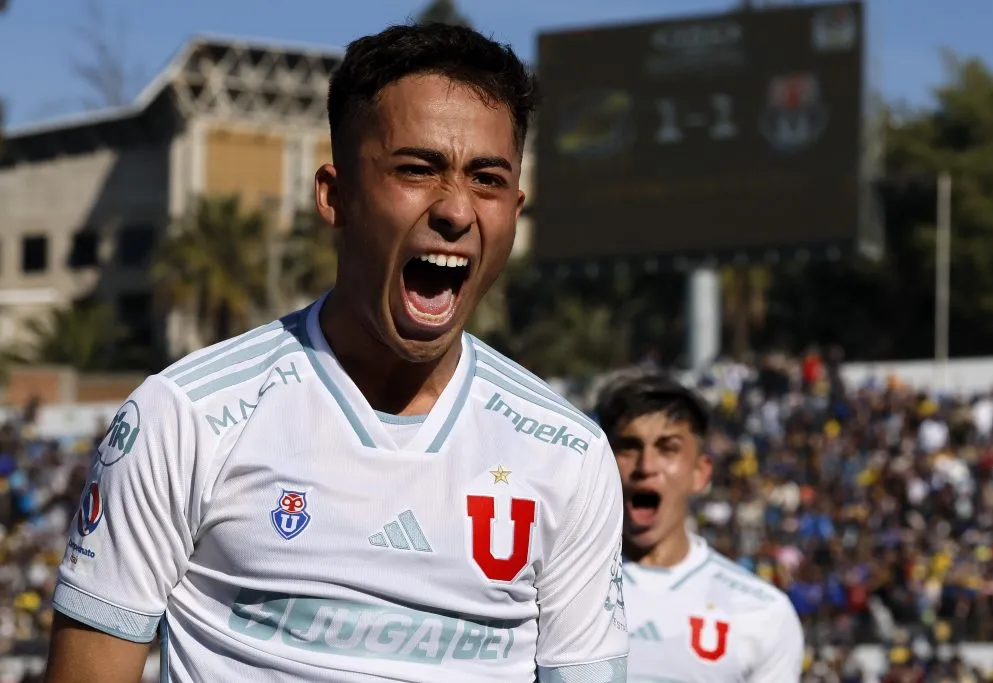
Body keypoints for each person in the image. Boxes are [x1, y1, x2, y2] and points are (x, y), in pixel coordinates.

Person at [44, 23, 628, 683]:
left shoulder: (568, 455)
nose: (457, 209)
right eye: (417, 169)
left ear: (515, 210)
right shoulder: (184, 417)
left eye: (487, 179)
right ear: (335, 194)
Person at [595, 372, 803, 683]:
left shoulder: (762, 612)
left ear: (700, 473)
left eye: (668, 448)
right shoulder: (557, 588)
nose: (645, 466)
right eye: (628, 447)